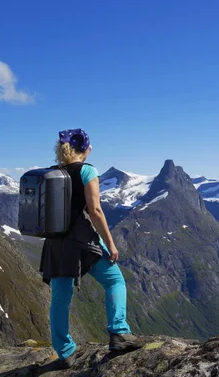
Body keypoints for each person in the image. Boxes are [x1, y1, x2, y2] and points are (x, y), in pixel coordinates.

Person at [42, 128, 141, 369]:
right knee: (115, 280)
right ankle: (119, 333)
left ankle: (65, 352)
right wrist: (110, 242)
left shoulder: (54, 173)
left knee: (60, 297)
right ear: (85, 149)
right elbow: (95, 210)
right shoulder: (87, 171)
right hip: (83, 242)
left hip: (55, 244)